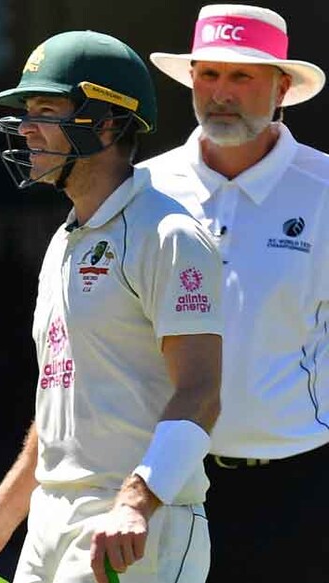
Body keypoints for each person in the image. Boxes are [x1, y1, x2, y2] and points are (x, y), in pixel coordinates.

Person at [0, 31, 224, 583]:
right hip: (51, 519)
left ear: (107, 124)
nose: (25, 128)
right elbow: (58, 402)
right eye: (26, 111)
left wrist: (137, 501)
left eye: (45, 110)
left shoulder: (170, 234)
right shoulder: (65, 240)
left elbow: (201, 390)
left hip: (137, 522)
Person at [139, 4, 329, 579]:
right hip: (157, 482)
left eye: (243, 76)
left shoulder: (323, 188)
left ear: (281, 88)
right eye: (210, 74)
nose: (222, 92)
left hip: (298, 483)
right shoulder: (144, 186)